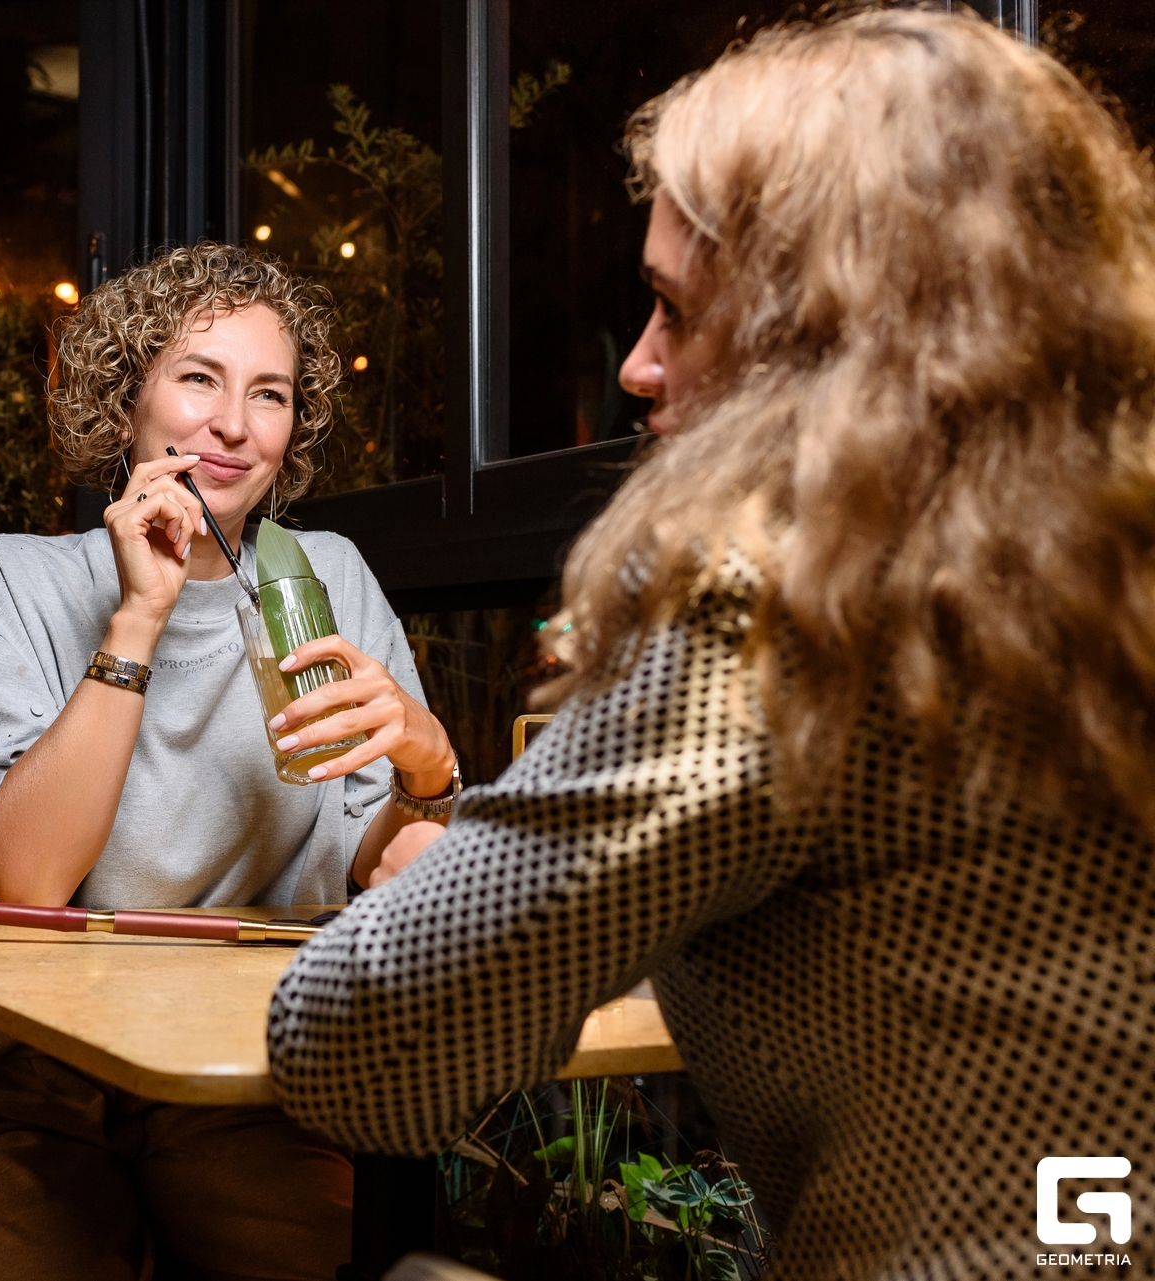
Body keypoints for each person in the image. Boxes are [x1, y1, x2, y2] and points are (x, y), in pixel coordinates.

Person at [266, 10, 1155, 1278]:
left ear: (830, 336)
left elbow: (358, 1057)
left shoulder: (775, 610)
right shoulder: (1098, 565)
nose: (637, 366)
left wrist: (467, 862)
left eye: (677, 311)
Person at [0, 242, 459, 1281]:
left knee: (344, 1257)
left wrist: (430, 766)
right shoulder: (14, 580)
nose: (234, 424)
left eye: (269, 394)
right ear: (124, 399)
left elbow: (388, 859)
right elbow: (32, 876)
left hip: (231, 1079)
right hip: (4, 1079)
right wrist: (139, 616)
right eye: (198, 379)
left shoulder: (323, 579)